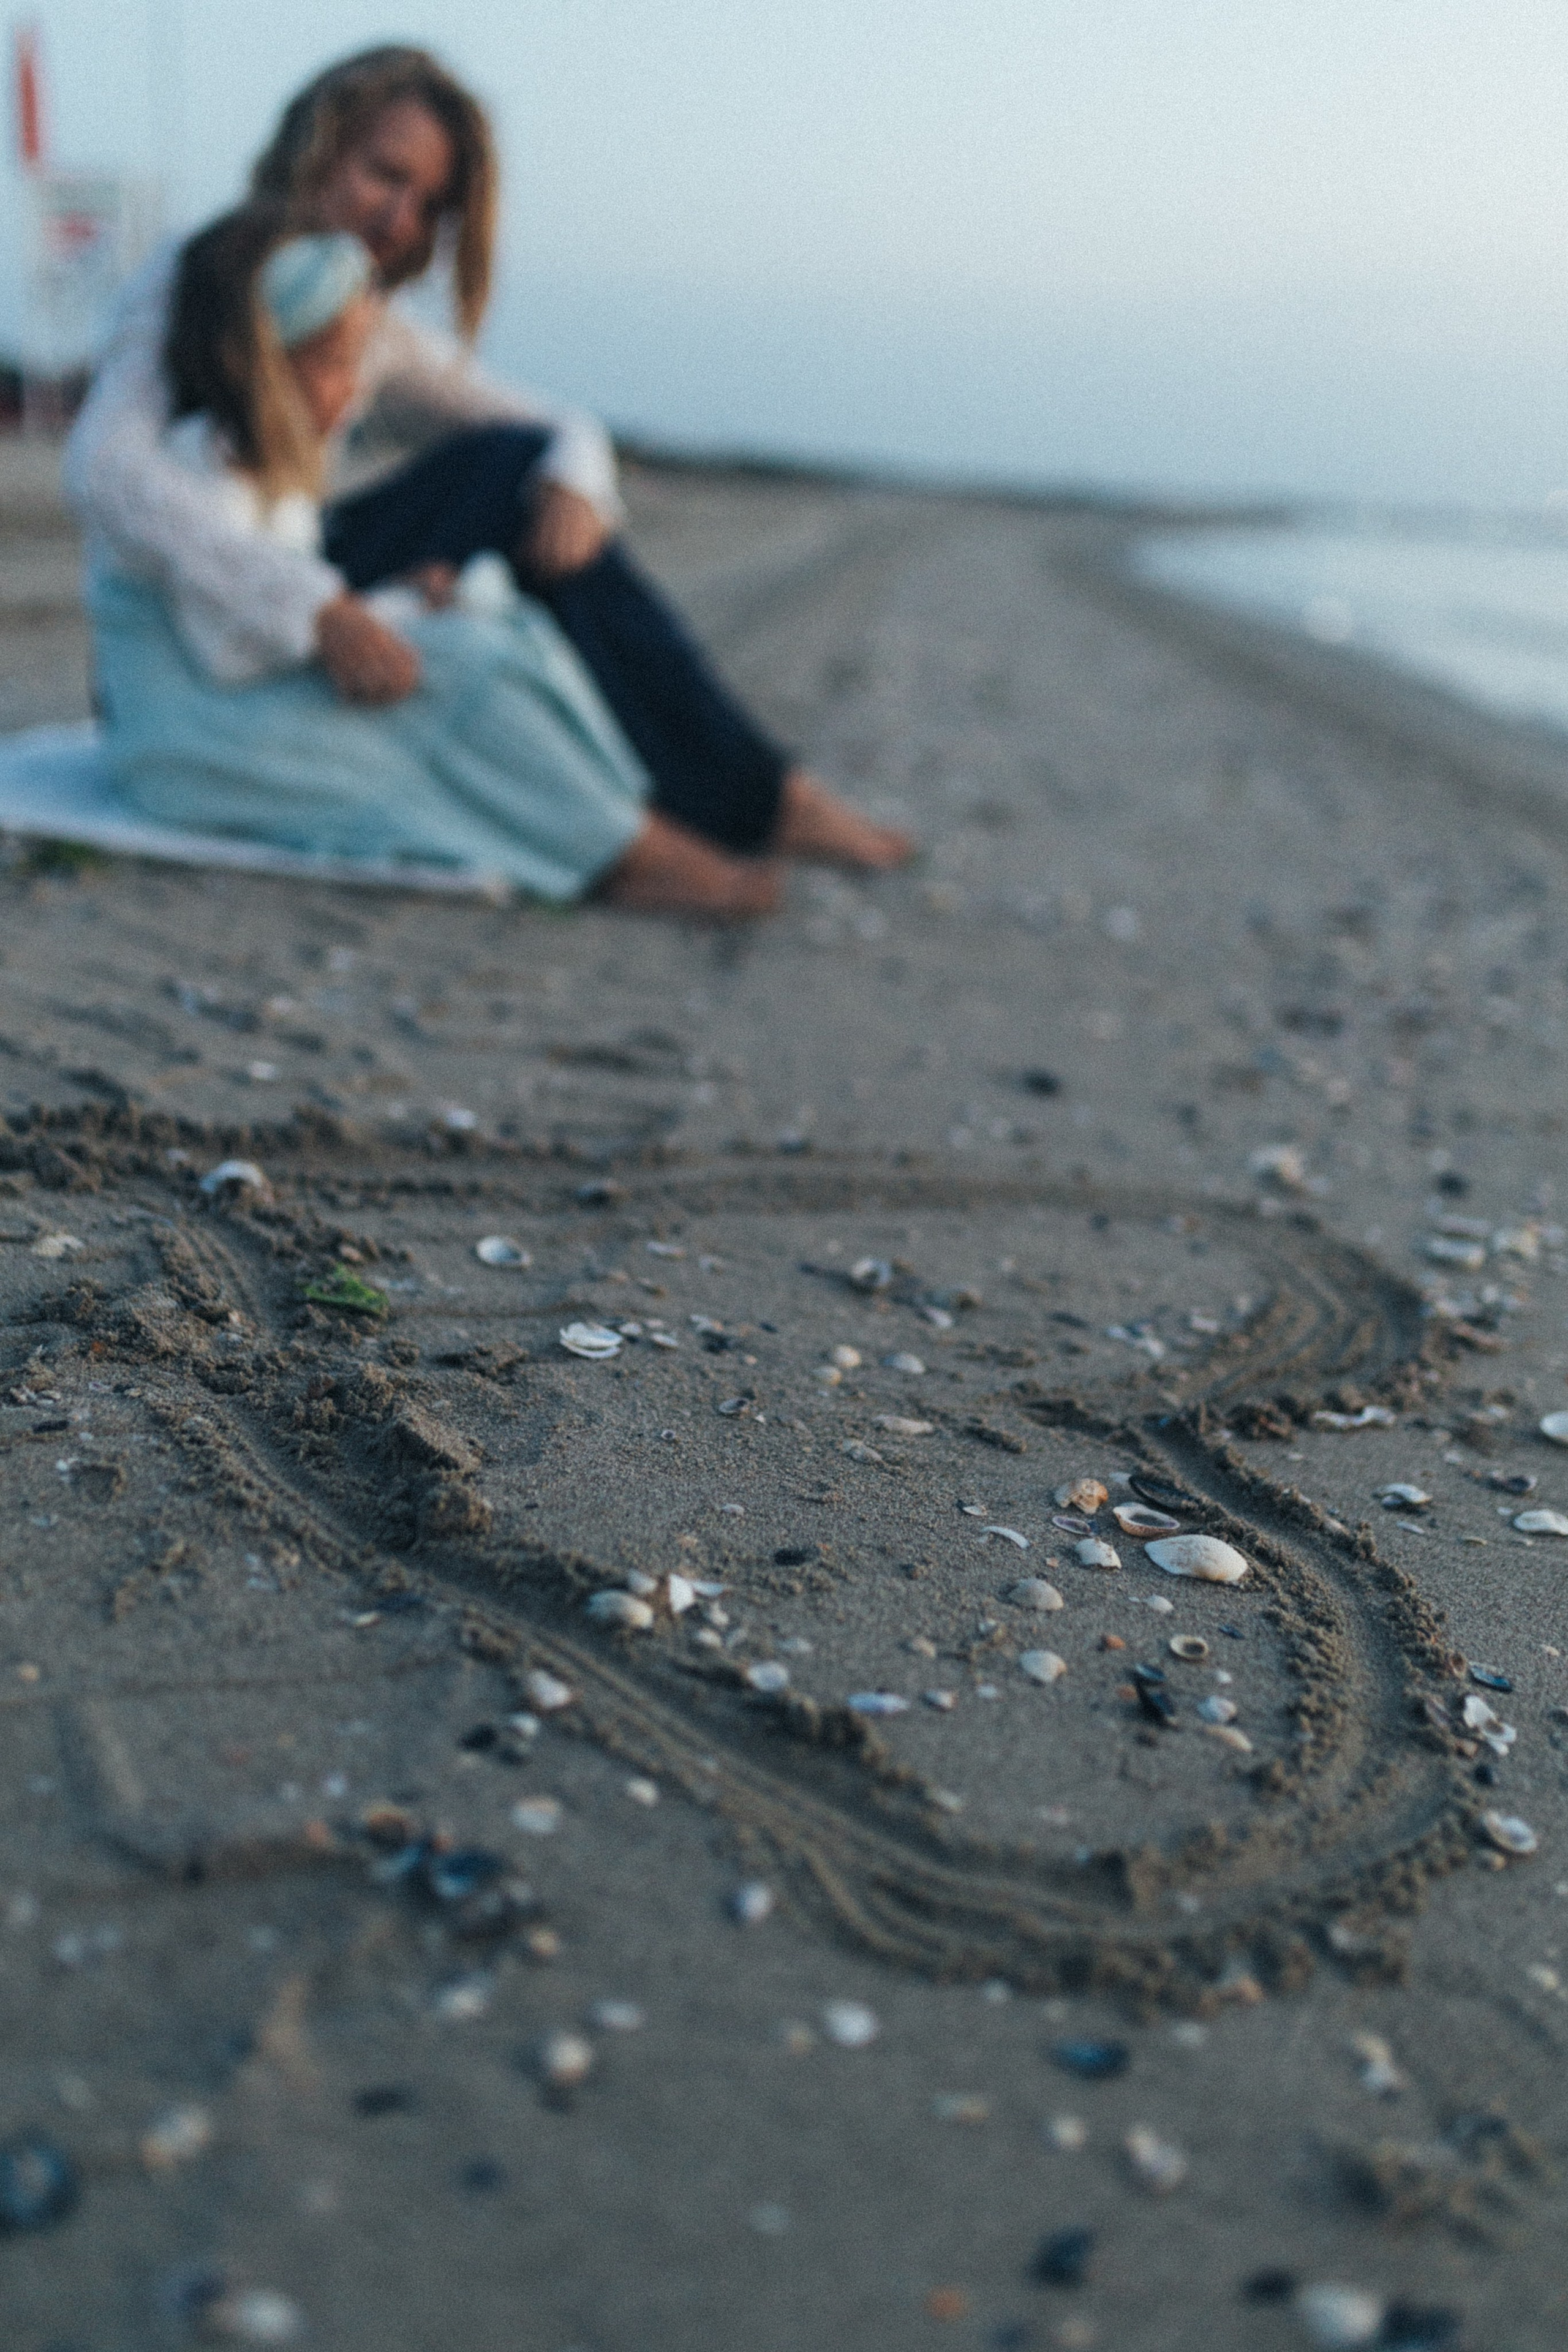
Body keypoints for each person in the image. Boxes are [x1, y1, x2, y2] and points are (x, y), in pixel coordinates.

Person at [64, 43, 912, 895]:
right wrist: (319, 608)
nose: (399, 219)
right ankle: (721, 811)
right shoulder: (194, 275)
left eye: (427, 203)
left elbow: (547, 422)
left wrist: (577, 475)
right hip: (193, 625)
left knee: (520, 479)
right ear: (314, 149)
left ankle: (717, 799)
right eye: (382, 174)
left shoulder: (370, 324)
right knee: (494, 551)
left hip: (292, 563)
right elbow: (107, 467)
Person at [88, 205, 780, 913]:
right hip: (188, 737)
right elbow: (232, 650)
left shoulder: (276, 475)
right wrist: (383, 614)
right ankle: (619, 851)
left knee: (496, 633)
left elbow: (289, 602)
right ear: (257, 365)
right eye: (331, 364)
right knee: (462, 668)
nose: (356, 387)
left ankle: (621, 831)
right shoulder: (201, 461)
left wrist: (397, 601)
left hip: (238, 700)